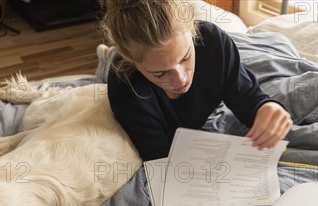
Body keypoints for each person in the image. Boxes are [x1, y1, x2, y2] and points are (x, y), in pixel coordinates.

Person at [98, 0, 292, 161]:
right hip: (122, 68)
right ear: (130, 59)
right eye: (160, 73)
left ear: (192, 31)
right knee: (109, 69)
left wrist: (265, 108)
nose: (181, 80)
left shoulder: (213, 42)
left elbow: (246, 96)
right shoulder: (126, 89)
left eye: (185, 58)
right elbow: (159, 157)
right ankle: (106, 57)